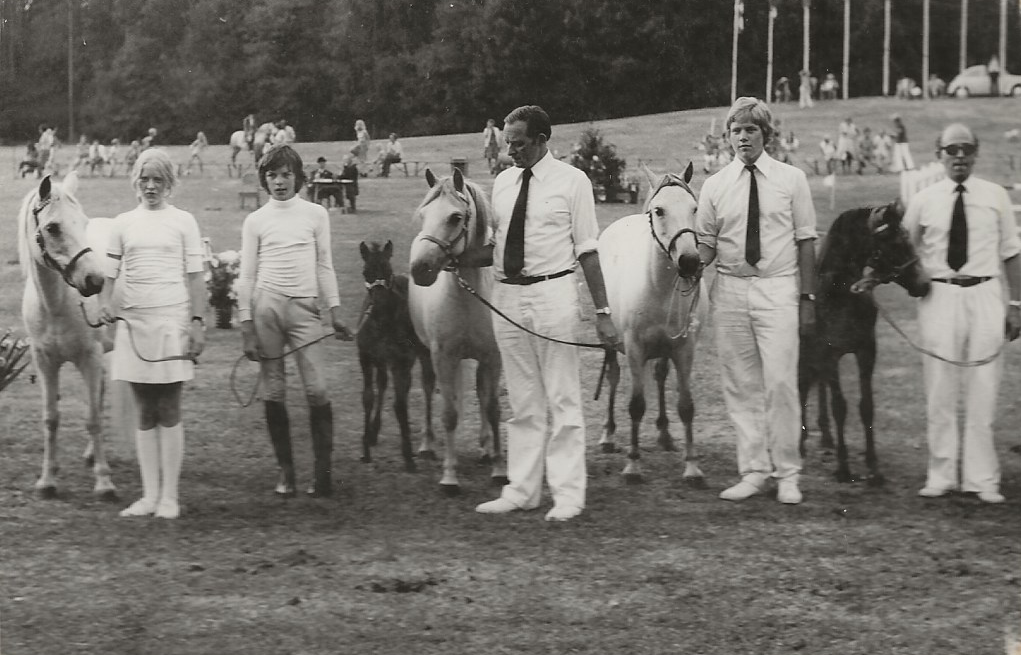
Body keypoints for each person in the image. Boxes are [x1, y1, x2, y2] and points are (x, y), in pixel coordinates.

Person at [473, 104, 619, 522]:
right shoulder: (503, 183)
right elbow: (494, 247)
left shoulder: (573, 182)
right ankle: (522, 491)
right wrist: (451, 258)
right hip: (507, 297)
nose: (510, 152)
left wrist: (603, 311)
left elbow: (587, 249)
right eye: (507, 144)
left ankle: (568, 495)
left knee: (562, 397)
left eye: (518, 144)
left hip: (553, 294)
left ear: (541, 140)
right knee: (522, 400)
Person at [695, 97, 818, 505]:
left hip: (777, 288)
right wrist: (690, 263)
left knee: (780, 383)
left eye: (751, 129)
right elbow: (707, 245)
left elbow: (805, 241)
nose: (743, 137)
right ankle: (753, 471)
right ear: (727, 137)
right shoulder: (714, 186)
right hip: (730, 290)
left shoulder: (791, 179)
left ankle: (788, 474)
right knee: (740, 384)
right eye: (736, 130)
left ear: (766, 134)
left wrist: (807, 298)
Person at [904, 123, 1021, 504]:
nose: (959, 156)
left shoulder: (995, 196)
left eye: (966, 149)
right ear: (938, 154)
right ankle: (941, 474)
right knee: (940, 386)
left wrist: (1016, 305)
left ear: (976, 153)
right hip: (940, 296)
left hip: (986, 294)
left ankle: (981, 478)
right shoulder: (924, 199)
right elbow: (905, 250)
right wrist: (915, 277)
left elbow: (1011, 252)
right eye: (951, 149)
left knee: (983, 387)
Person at [237, 145, 353, 499]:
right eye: (272, 175)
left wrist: (334, 310)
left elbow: (324, 265)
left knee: (317, 389)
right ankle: (285, 472)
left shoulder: (316, 214)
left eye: (286, 174)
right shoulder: (256, 220)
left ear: (298, 177)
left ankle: (322, 473)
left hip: (305, 309)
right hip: (267, 308)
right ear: (264, 180)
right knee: (273, 389)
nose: (279, 182)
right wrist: (246, 325)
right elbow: (246, 276)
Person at [97, 148, 207, 519]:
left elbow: (196, 278)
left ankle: (170, 497)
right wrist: (105, 306)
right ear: (136, 182)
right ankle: (149, 495)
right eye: (145, 179)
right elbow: (108, 279)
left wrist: (197, 322)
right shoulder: (123, 223)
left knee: (170, 406)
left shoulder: (184, 221)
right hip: (134, 324)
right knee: (144, 409)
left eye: (158, 179)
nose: (151, 186)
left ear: (169, 183)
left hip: (171, 322)